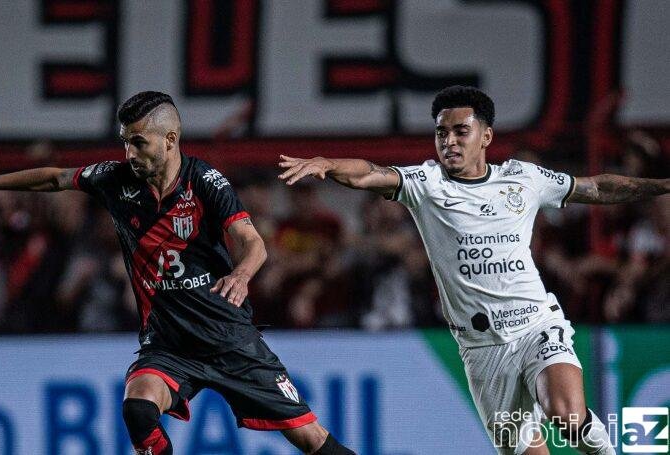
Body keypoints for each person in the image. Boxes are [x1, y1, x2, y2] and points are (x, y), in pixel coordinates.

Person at [0, 91, 354, 455]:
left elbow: (253, 242)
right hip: (169, 344)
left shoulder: (205, 182)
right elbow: (55, 178)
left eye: (139, 143)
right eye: (125, 142)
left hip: (228, 338)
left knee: (311, 439)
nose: (129, 153)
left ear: (170, 139)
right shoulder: (116, 180)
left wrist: (240, 275)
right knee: (138, 407)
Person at [278, 85, 669, 454]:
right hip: (482, 349)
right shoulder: (426, 184)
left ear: (486, 136)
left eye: (460, 131)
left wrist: (663, 185)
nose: (449, 141)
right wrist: (328, 164)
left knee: (566, 414)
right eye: (441, 133)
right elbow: (368, 172)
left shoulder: (523, 178)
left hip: (535, 325)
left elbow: (595, 188)